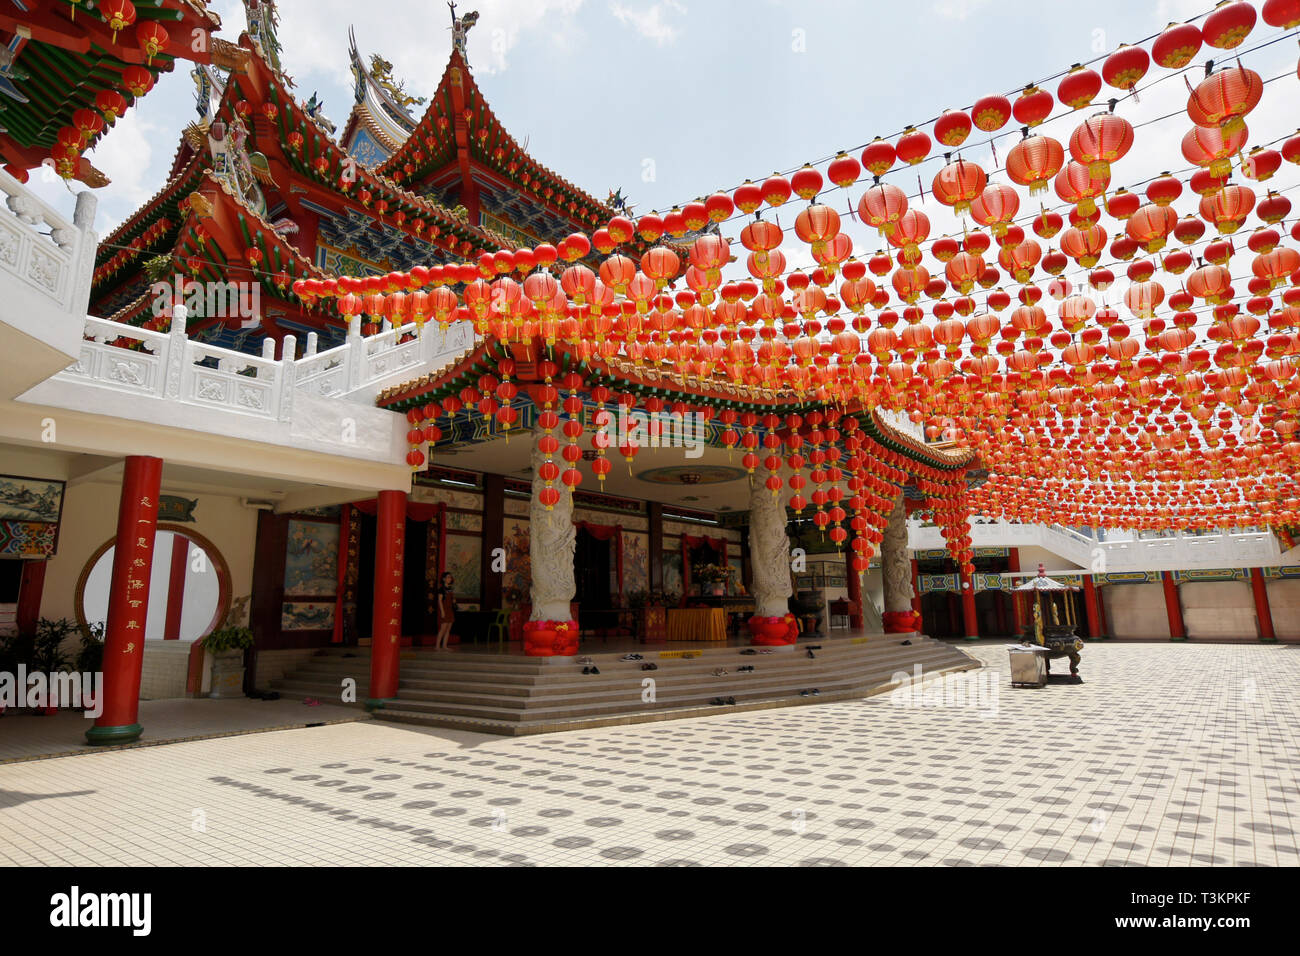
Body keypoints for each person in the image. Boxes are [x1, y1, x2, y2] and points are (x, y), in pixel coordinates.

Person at [435, 572, 455, 649]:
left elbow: (451, 599)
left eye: (450, 577)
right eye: (448, 577)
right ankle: (437, 646)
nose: (450, 579)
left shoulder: (450, 589)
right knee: (443, 629)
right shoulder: (441, 589)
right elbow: (440, 601)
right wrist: (442, 612)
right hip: (444, 610)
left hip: (450, 610)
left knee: (448, 629)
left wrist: (454, 601)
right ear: (444, 579)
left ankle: (444, 646)